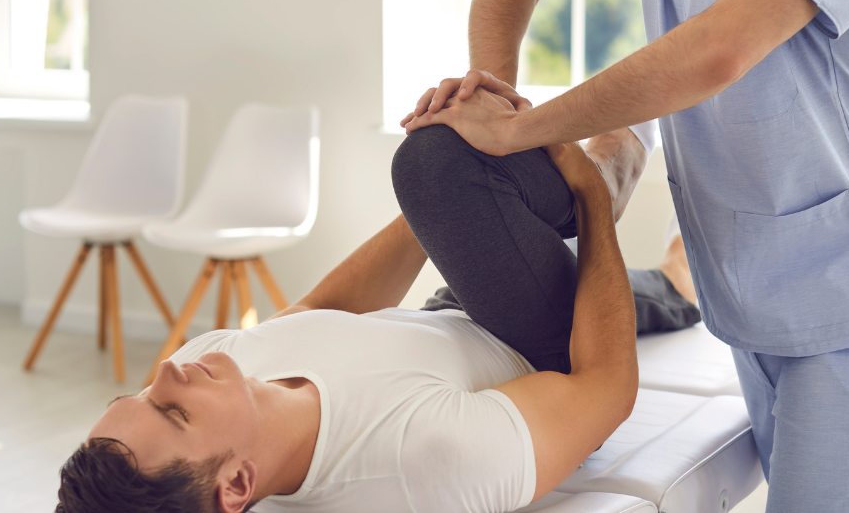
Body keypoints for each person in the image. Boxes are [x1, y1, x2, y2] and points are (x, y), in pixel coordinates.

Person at [400, 0, 849, 510]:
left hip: (844, 290)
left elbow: (716, 52)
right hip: (742, 291)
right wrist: (491, 93)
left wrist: (515, 131)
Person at [54, 122, 701, 513]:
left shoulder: (220, 377)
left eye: (140, 394)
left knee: (443, 170)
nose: (170, 370)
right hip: (542, 352)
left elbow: (318, 313)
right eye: (173, 412)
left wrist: (433, 223)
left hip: (450, 317)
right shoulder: (417, 463)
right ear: (238, 486)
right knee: (436, 164)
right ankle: (632, 139)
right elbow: (604, 394)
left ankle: (672, 264)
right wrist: (588, 193)